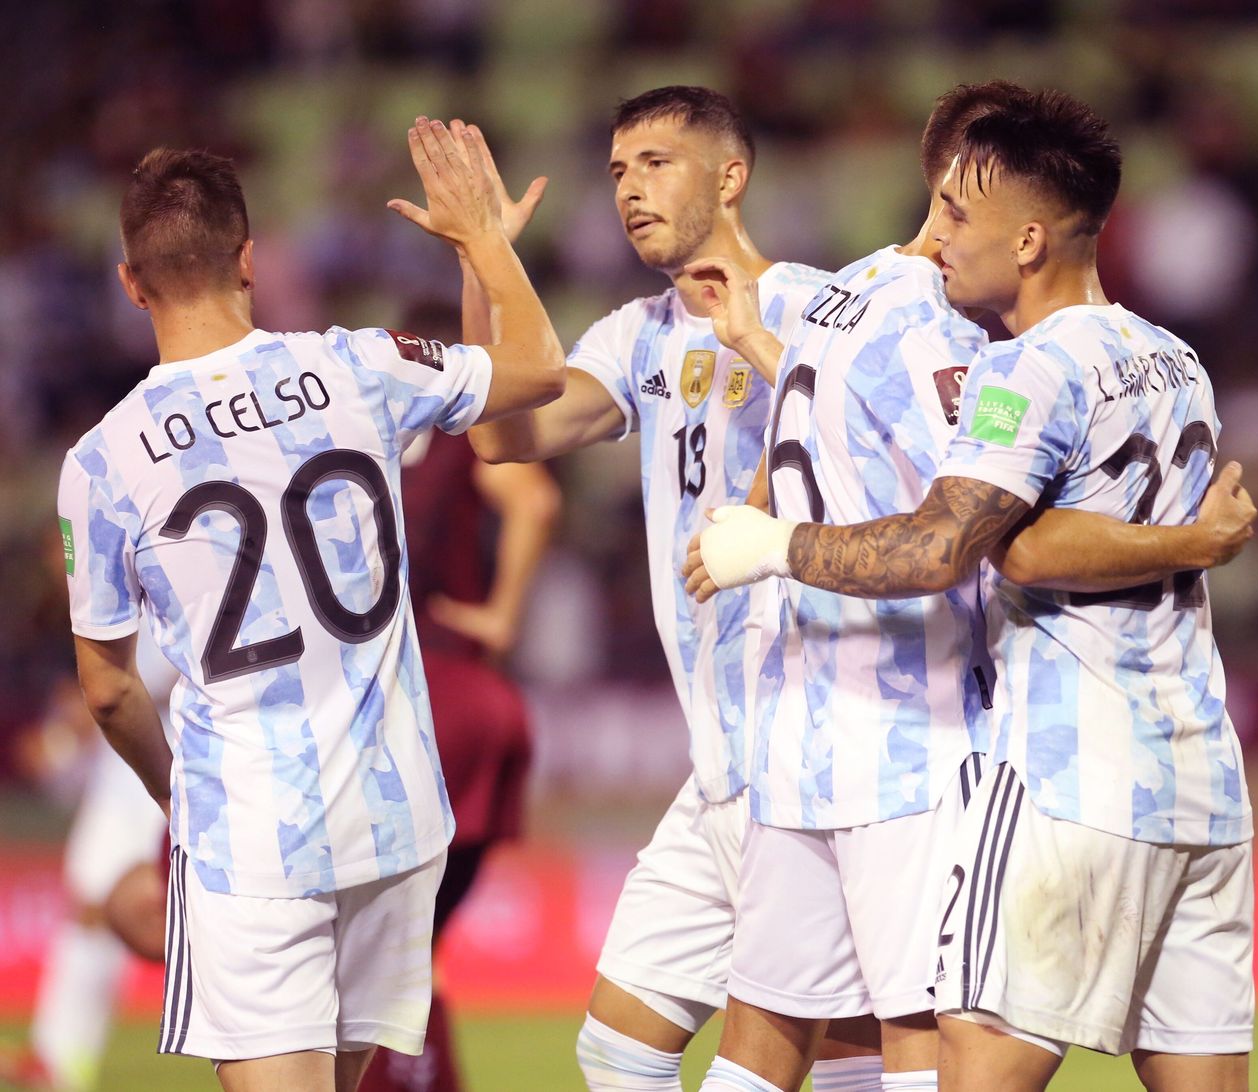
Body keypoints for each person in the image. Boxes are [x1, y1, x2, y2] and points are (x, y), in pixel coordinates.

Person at [681, 84, 1255, 1092]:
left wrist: (776, 545)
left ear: (1029, 240)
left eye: (955, 216)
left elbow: (952, 551)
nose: (932, 238)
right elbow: (1034, 541)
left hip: (1066, 779)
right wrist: (1191, 540)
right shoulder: (1177, 361)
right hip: (1201, 780)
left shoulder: (1019, 372)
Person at [55, 118, 566, 1092]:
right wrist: (483, 244)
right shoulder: (359, 364)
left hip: (252, 835)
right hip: (395, 820)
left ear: (131, 283)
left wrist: (175, 798)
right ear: (249, 261)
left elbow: (110, 690)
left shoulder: (102, 462)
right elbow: (538, 368)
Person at [460, 88, 888, 1092]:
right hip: (719, 762)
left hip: (813, 745)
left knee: (834, 1051)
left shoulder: (823, 310)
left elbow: (881, 468)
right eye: (616, 172)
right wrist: (483, 253)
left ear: (730, 177)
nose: (630, 189)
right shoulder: (638, 334)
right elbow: (501, 432)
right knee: (619, 1047)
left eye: (655, 161)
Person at [350, 300, 561, 1092]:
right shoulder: (458, 426)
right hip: (484, 703)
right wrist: (501, 618)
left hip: (412, 700)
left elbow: (535, 501)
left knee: (368, 960)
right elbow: (535, 502)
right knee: (411, 951)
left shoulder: (360, 426)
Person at [0, 616, 172, 1092]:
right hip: (132, 764)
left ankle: (58, 1061)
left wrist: (66, 731)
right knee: (91, 905)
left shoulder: (172, 588)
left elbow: (125, 683)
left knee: (120, 906)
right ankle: (57, 1059)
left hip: (168, 760)